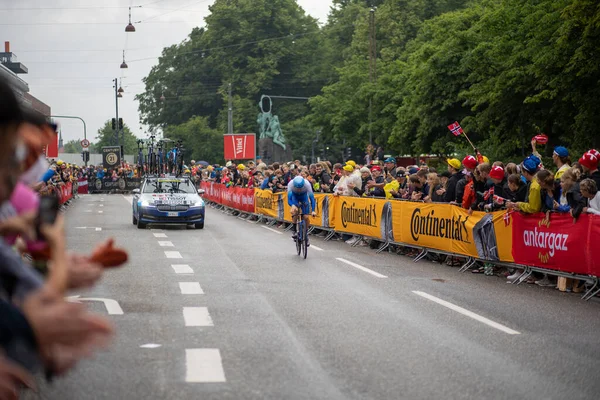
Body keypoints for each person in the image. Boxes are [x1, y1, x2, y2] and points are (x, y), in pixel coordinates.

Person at [288, 176, 316, 246]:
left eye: (300, 188)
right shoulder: (290, 184)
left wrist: (313, 210)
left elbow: (312, 198)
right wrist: (292, 205)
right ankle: (294, 230)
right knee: (295, 211)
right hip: (294, 197)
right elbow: (289, 199)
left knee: (306, 217)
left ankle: (306, 234)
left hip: (304, 197)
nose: (299, 189)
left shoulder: (307, 184)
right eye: (297, 188)